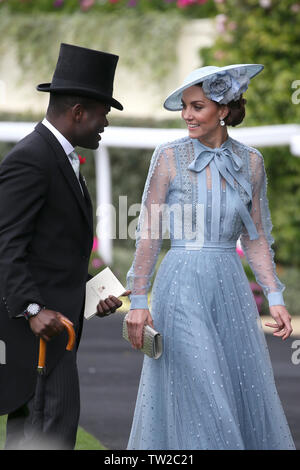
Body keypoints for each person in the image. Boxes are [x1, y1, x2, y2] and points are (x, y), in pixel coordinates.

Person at [125, 64, 296, 450]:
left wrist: (275, 296)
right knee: (205, 387)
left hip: (230, 287)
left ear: (223, 109)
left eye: (197, 106)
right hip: (180, 285)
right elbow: (149, 232)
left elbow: (256, 237)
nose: (187, 115)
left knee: (234, 385)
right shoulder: (168, 156)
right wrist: (138, 299)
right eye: (184, 106)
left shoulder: (252, 162)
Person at [0, 43, 129, 450]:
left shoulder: (59, 156)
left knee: (45, 436)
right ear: (77, 112)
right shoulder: (33, 158)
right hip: (39, 337)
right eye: (102, 113)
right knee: (47, 437)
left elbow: (50, 252)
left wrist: (93, 292)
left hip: (59, 335)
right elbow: (6, 242)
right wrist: (32, 308)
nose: (104, 122)